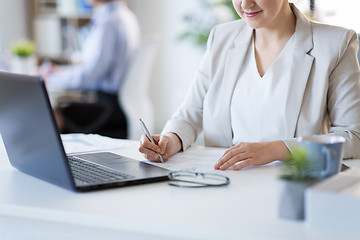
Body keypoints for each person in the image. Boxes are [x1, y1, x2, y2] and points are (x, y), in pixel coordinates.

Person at [139, 0, 360, 170]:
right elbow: (191, 113)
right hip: (223, 184)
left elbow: (353, 136)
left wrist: (277, 149)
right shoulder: (222, 37)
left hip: (293, 186)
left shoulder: (335, 44)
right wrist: (170, 140)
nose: (245, 4)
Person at [45, 0, 140, 138]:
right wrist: (60, 73)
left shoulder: (110, 22)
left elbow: (87, 77)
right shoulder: (124, 16)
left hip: (108, 108)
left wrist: (50, 78)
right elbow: (90, 68)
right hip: (117, 104)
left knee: (53, 114)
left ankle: (57, 159)